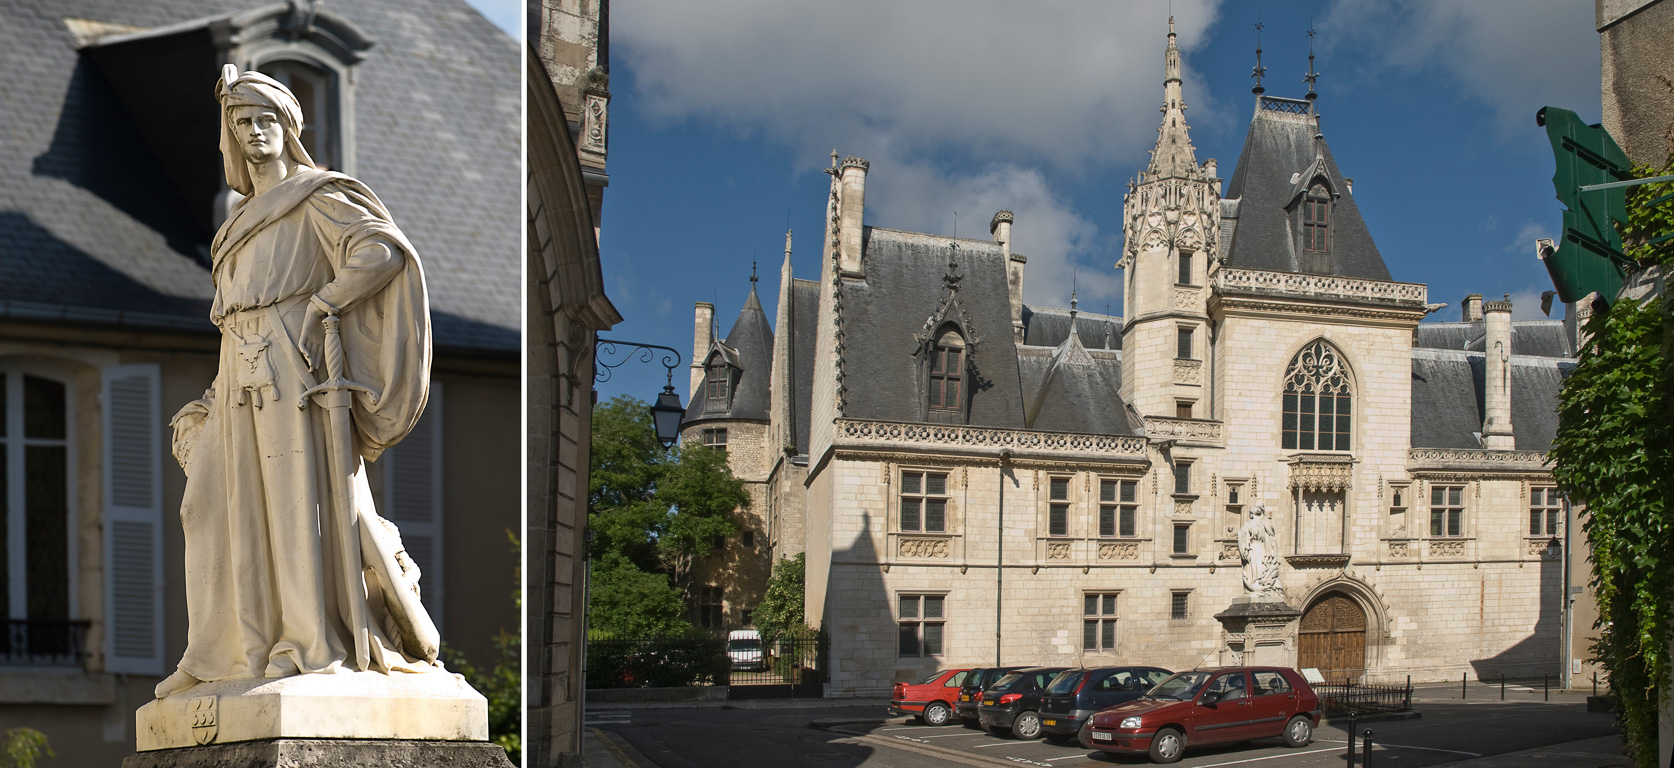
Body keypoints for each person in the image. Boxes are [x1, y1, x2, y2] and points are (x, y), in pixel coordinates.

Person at [155, 66, 438, 698]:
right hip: (237, 368)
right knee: (207, 505)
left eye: (267, 121)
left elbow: (381, 251)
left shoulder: (316, 196)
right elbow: (232, 317)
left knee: (291, 505)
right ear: (230, 135)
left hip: (292, 362)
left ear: (288, 129)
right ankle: (219, 653)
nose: (255, 132)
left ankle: (306, 643)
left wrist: (324, 304)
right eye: (242, 122)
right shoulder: (233, 226)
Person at [1238, 505, 1282, 598]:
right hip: (1262, 548)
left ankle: (1256, 584)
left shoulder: (1248, 524)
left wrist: (1245, 552)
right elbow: (1272, 539)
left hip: (1253, 549)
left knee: (1255, 568)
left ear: (1252, 514)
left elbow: (1242, 539)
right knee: (1261, 567)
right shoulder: (1265, 524)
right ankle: (1259, 584)